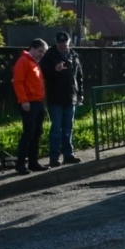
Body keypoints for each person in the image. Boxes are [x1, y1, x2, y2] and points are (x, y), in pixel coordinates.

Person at [40, 32, 84, 167]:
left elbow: (79, 76)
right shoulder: (48, 55)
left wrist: (80, 93)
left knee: (68, 127)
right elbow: (42, 74)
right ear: (56, 42)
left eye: (65, 44)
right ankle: (54, 157)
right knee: (56, 128)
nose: (62, 46)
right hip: (55, 98)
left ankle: (68, 154)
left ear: (69, 42)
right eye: (60, 44)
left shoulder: (74, 55)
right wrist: (55, 70)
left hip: (71, 97)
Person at [12, 38, 49, 175]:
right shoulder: (23, 62)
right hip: (29, 103)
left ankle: (33, 162)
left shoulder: (34, 63)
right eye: (40, 51)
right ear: (32, 48)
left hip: (37, 102)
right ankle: (21, 164)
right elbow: (18, 82)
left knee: (36, 133)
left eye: (43, 52)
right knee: (28, 134)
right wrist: (24, 101)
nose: (42, 54)